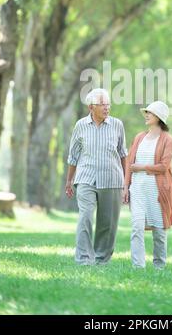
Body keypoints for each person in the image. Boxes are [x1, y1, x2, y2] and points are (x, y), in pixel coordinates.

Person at [65, 88, 127, 265]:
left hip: (112, 179)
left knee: (107, 223)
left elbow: (123, 154)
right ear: (91, 107)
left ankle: (101, 258)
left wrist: (125, 182)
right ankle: (84, 258)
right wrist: (69, 180)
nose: (107, 108)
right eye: (102, 104)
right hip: (85, 178)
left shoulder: (117, 125)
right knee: (85, 216)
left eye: (108, 104)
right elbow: (73, 155)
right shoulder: (80, 126)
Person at [123, 101, 172, 269]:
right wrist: (125, 187)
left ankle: (159, 267)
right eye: (146, 112)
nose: (146, 115)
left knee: (159, 232)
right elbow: (129, 164)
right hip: (137, 189)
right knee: (136, 227)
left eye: (150, 113)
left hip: (157, 192)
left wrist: (142, 168)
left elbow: (163, 166)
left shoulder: (168, 140)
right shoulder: (139, 137)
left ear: (159, 117)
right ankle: (138, 266)